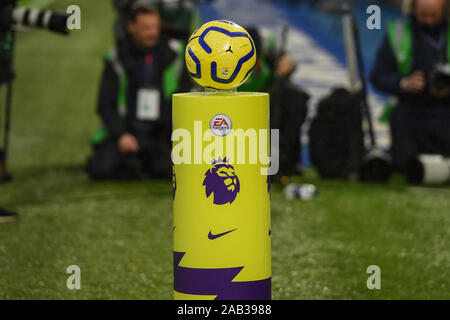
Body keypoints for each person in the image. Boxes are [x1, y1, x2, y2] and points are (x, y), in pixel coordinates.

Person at [87, 4, 192, 180]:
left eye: (155, 27)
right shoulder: (115, 58)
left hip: (161, 132)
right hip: (128, 129)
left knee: (171, 169)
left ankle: (141, 164)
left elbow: (186, 94)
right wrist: (122, 135)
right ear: (130, 27)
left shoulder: (176, 53)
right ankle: (135, 162)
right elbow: (105, 105)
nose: (153, 33)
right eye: (146, 28)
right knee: (100, 169)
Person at [371, 0, 450, 172]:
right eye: (423, 15)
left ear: (445, 11)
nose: (429, 20)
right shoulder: (399, 32)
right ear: (413, 9)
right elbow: (378, 76)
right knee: (405, 166)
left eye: (434, 16)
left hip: (446, 111)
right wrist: (404, 83)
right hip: (410, 110)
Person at [240, 27, 309, 182]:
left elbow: (290, 60)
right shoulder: (222, 57)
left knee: (295, 100)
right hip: (232, 105)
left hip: (266, 99)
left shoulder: (268, 48)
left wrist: (286, 65)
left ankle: (286, 160)